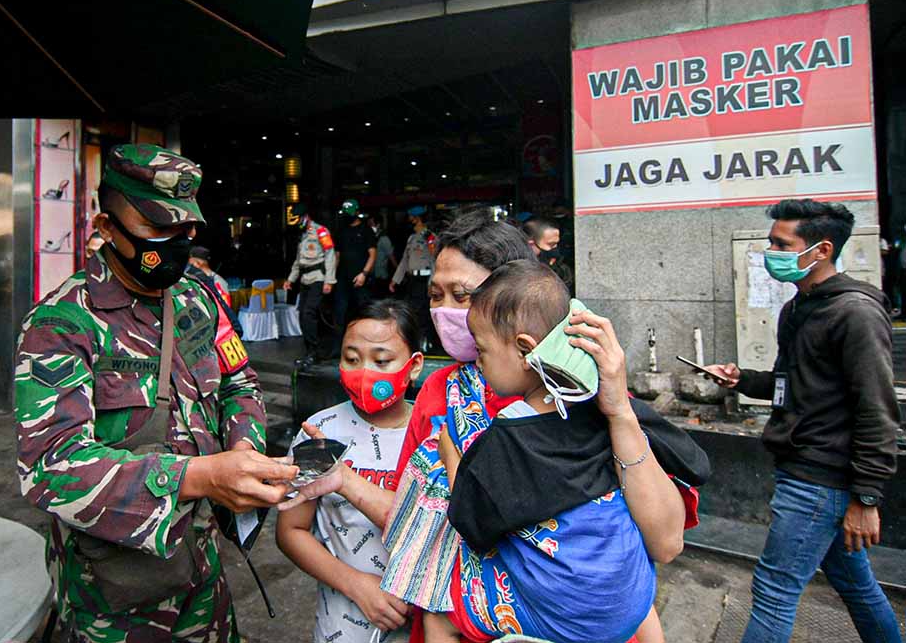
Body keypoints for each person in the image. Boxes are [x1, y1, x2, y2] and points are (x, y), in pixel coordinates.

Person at [286, 209, 698, 643]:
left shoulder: (583, 394)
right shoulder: (439, 393)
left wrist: (619, 414)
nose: (445, 311)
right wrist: (345, 481)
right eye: (435, 295)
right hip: (475, 618)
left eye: (463, 296)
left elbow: (664, 543)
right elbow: (417, 518)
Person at [15, 144, 297, 643]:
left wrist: (244, 452)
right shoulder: (61, 323)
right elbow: (50, 468)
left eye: (185, 230)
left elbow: (239, 382)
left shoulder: (197, 298)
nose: (176, 244)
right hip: (114, 595)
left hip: (204, 564)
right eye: (158, 228)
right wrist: (201, 476)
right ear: (106, 228)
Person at [422, 261, 708, 643]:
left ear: (525, 349)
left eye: (482, 349)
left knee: (438, 616)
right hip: (633, 603)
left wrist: (451, 457)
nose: (477, 360)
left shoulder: (508, 437)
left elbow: (471, 520)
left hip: (566, 622)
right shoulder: (599, 410)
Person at [702, 199, 902, 643]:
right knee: (856, 584)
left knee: (774, 591)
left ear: (822, 250)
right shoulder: (798, 308)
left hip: (820, 480)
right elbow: (792, 383)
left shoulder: (855, 313)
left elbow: (877, 409)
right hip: (800, 467)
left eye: (781, 244)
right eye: (770, 242)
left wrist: (867, 497)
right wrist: (742, 379)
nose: (770, 253)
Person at [277, 300, 422, 643]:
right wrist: (356, 585)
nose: (364, 372)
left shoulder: (436, 429)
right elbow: (291, 530)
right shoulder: (320, 431)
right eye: (352, 359)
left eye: (381, 361)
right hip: (343, 626)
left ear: (414, 365)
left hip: (426, 623)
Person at [283, 204, 336, 366]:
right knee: (302, 315)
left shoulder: (321, 231)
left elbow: (330, 255)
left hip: (318, 278)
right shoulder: (302, 235)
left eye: (299, 219)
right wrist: (290, 279)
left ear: (306, 217)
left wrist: (329, 280)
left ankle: (315, 352)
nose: (297, 223)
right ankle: (309, 352)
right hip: (304, 279)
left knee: (308, 313)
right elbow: (298, 261)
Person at [390, 207, 435, 351]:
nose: (409, 220)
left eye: (411, 217)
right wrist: (395, 280)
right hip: (412, 280)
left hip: (424, 279)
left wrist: (431, 282)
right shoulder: (411, 238)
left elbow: (434, 260)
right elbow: (405, 261)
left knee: (423, 312)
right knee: (411, 310)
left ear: (417, 218)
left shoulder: (430, 237)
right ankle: (416, 339)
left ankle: (425, 340)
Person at [334, 200, 377, 337]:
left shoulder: (366, 230)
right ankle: (340, 343)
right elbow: (337, 256)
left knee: (363, 311)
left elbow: (373, 255)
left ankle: (366, 339)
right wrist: (331, 277)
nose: (347, 216)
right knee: (340, 312)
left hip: (361, 278)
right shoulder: (341, 231)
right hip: (342, 278)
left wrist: (364, 274)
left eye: (350, 213)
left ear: (357, 212)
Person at [187, 245, 242, 337]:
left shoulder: (216, 281)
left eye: (191, 264)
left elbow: (225, 307)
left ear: (197, 263)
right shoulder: (214, 280)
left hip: (220, 329)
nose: (189, 267)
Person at [521, 216, 573, 290]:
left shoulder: (557, 264)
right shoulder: (517, 268)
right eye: (551, 244)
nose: (555, 247)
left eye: (556, 243)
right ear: (531, 244)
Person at [369, 216, 397, 298]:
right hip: (372, 274)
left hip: (381, 275)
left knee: (381, 298)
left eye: (371, 224)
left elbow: (391, 256)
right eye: (369, 224)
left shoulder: (384, 238)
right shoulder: (371, 237)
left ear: (378, 225)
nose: (370, 226)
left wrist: (398, 271)